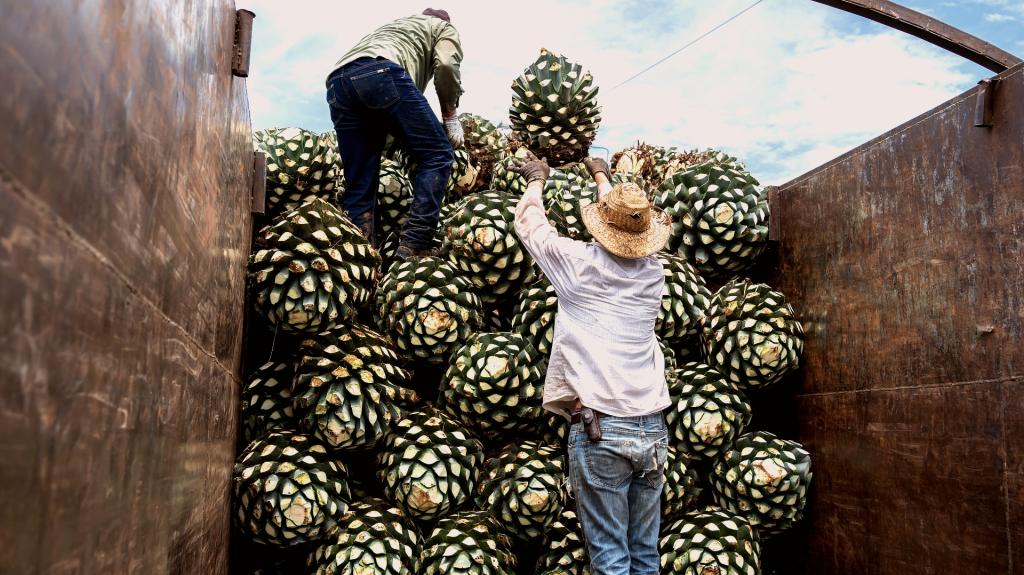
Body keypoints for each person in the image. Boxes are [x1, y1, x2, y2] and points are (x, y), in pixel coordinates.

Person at [514, 154, 672, 575]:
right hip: (652, 430)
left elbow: (531, 227)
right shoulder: (653, 274)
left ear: (600, 226)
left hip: (603, 430)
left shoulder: (577, 266)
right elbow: (623, 229)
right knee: (644, 554)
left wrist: (536, 181)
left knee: (611, 558)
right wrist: (602, 176)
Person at [325, 8, 464, 259]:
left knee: (360, 181)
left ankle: (361, 259)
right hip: (381, 72)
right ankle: (417, 241)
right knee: (438, 154)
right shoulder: (442, 27)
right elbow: (446, 64)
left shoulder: (397, 27)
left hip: (337, 83)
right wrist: (450, 113)